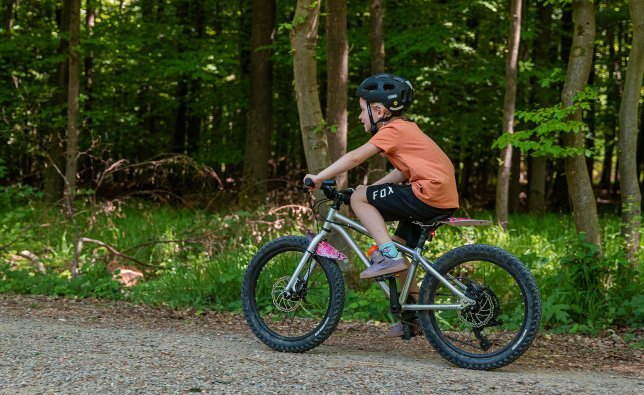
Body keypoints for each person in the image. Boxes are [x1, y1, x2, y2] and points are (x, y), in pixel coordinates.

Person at [303, 73, 459, 335]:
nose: (359, 117)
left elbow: (354, 157)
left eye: (362, 111)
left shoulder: (393, 131)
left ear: (379, 110)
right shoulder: (408, 131)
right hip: (439, 197)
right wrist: (367, 190)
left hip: (427, 193)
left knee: (376, 230)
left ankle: (388, 256)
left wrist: (319, 177)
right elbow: (399, 174)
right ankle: (414, 316)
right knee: (400, 248)